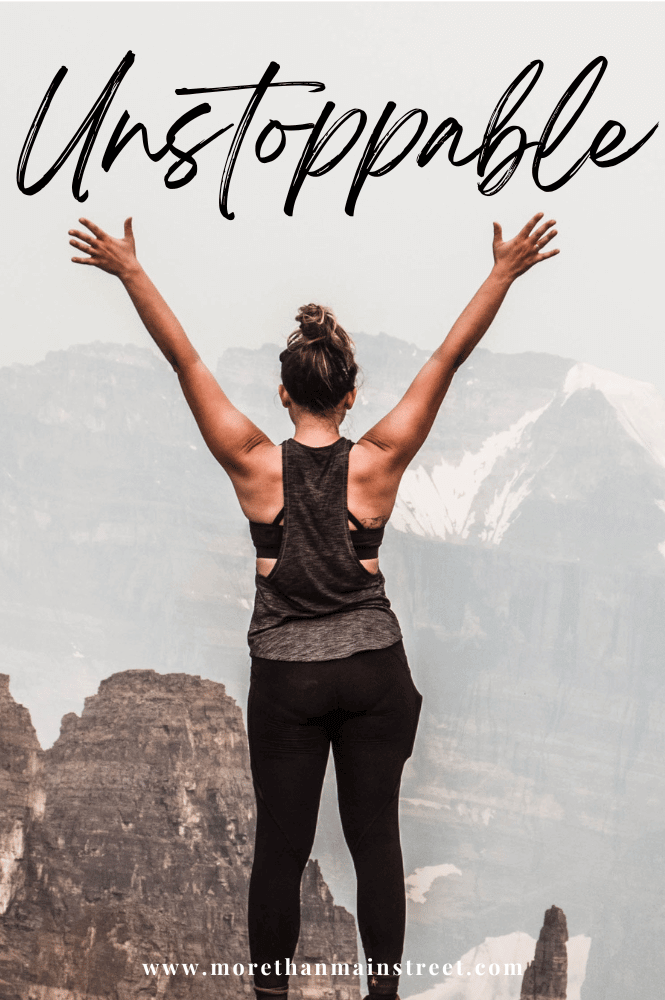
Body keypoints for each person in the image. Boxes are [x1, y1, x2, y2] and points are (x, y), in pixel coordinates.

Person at [68, 212, 559, 1000]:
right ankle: (384, 996)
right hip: (372, 674)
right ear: (352, 394)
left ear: (283, 392)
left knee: (281, 851)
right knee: (376, 845)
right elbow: (448, 358)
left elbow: (183, 357)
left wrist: (130, 271)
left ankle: (269, 996)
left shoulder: (254, 463)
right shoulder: (379, 461)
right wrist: (501, 271)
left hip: (288, 684)